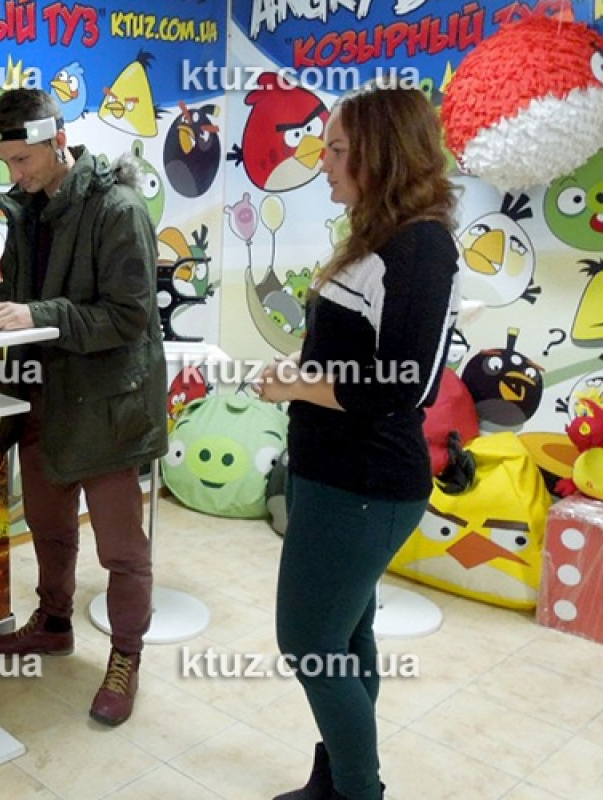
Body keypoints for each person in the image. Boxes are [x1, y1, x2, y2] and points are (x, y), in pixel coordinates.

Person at [254, 83, 459, 800]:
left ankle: (358, 791)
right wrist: (299, 371)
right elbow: (353, 355)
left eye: (337, 149)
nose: (323, 161)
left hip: (365, 484)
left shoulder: (421, 247)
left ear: (381, 154)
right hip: (331, 472)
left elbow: (404, 383)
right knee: (345, 636)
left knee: (308, 642)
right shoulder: (377, 238)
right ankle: (341, 775)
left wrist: (298, 385)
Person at [0, 88, 166, 726]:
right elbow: (20, 295)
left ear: (57, 140)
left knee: (121, 549)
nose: (15, 174)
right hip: (41, 398)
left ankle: (125, 657)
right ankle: (54, 622)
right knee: (48, 525)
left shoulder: (119, 209)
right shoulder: (29, 211)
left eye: (23, 160)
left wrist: (38, 314)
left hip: (107, 409)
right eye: (7, 163)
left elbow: (128, 317)